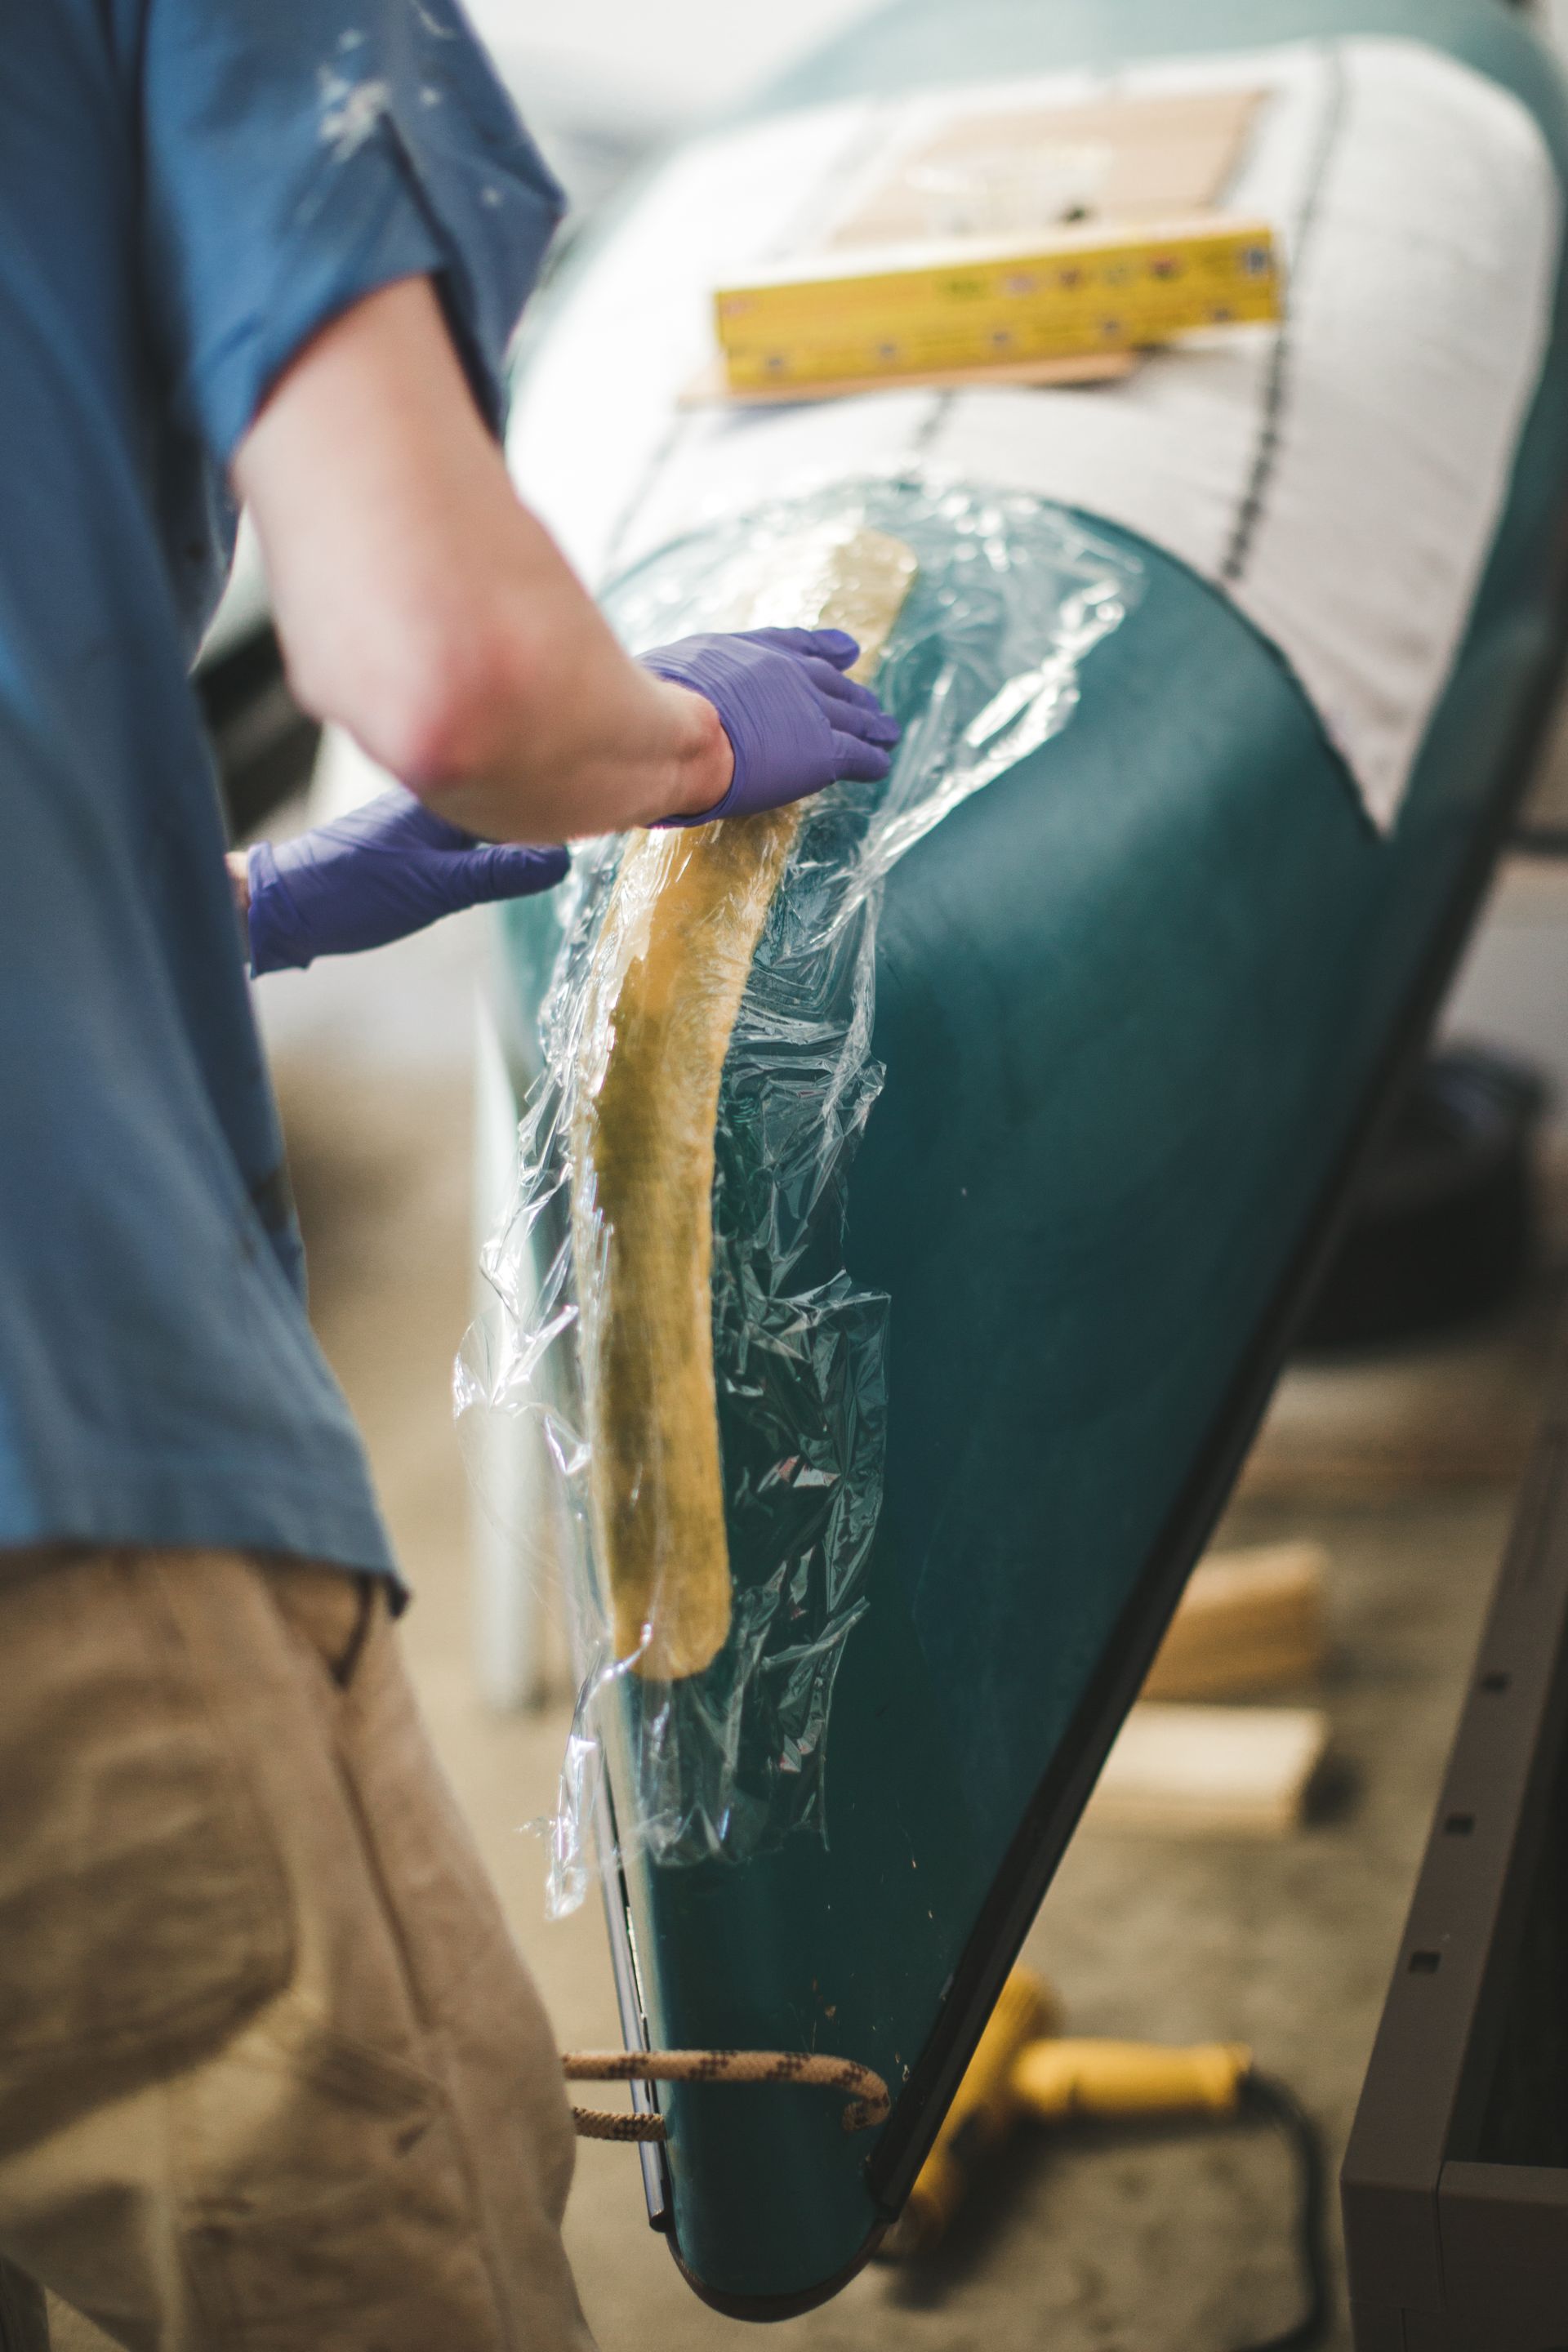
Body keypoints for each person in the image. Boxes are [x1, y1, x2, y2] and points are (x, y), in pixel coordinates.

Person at [0, 4, 898, 2348]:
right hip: (44, 1478)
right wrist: (667, 737)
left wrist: (242, 896)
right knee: (371, 2247)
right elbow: (460, 670)